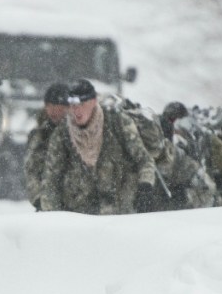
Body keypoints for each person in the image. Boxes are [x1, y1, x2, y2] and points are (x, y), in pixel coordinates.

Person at [39, 79, 158, 214]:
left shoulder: (118, 124)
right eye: (72, 105)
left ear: (94, 102)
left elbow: (144, 160)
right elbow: (51, 181)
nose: (76, 110)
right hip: (80, 219)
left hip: (121, 216)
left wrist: (145, 186)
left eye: (82, 104)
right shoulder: (62, 134)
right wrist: (52, 216)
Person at [24, 82, 69, 210]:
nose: (53, 110)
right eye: (49, 105)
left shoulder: (77, 133)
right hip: (45, 204)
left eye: (58, 106)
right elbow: (30, 169)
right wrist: (40, 200)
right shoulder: (39, 136)